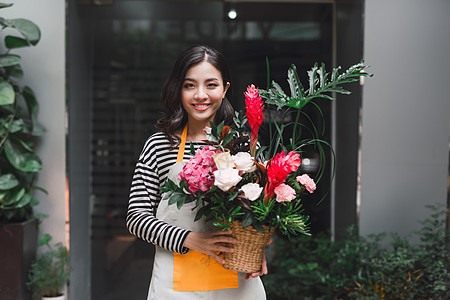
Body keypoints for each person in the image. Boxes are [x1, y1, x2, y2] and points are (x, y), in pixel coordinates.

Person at [126, 45, 268, 299]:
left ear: (225, 89)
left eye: (211, 85)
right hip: (175, 285)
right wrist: (191, 239)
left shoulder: (244, 146)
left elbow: (262, 213)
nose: (200, 95)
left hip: (236, 280)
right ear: (178, 90)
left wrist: (257, 248)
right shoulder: (160, 145)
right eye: (190, 85)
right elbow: (136, 219)